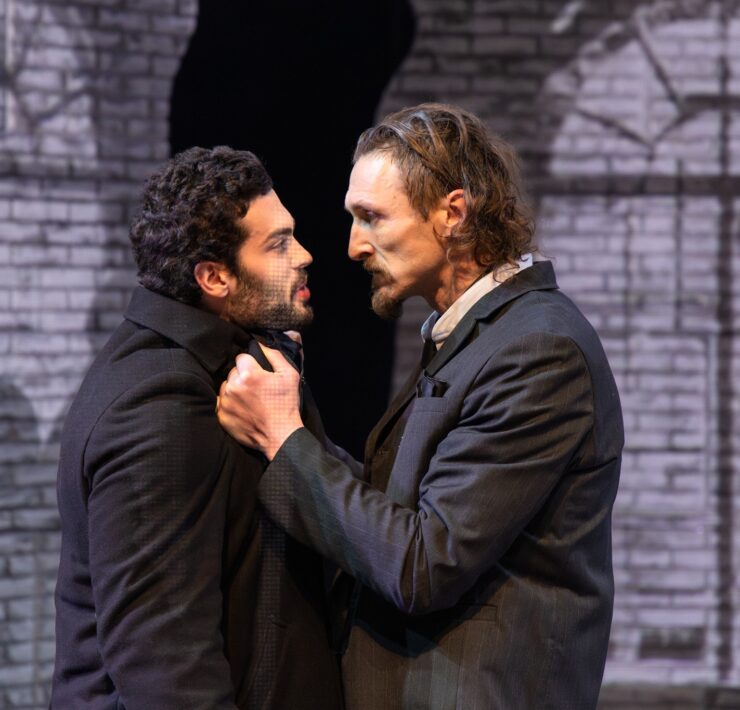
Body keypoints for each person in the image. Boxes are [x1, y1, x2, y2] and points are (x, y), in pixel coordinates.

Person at [217, 104, 624, 709]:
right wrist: (286, 427)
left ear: (452, 214)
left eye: (372, 218)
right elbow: (401, 506)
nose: (353, 246)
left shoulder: (538, 351)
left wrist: (284, 441)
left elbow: (426, 563)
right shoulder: (473, 334)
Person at [51, 147, 343, 709]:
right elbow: (165, 666)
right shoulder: (161, 405)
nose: (305, 255)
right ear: (214, 277)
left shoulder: (236, 367)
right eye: (278, 244)